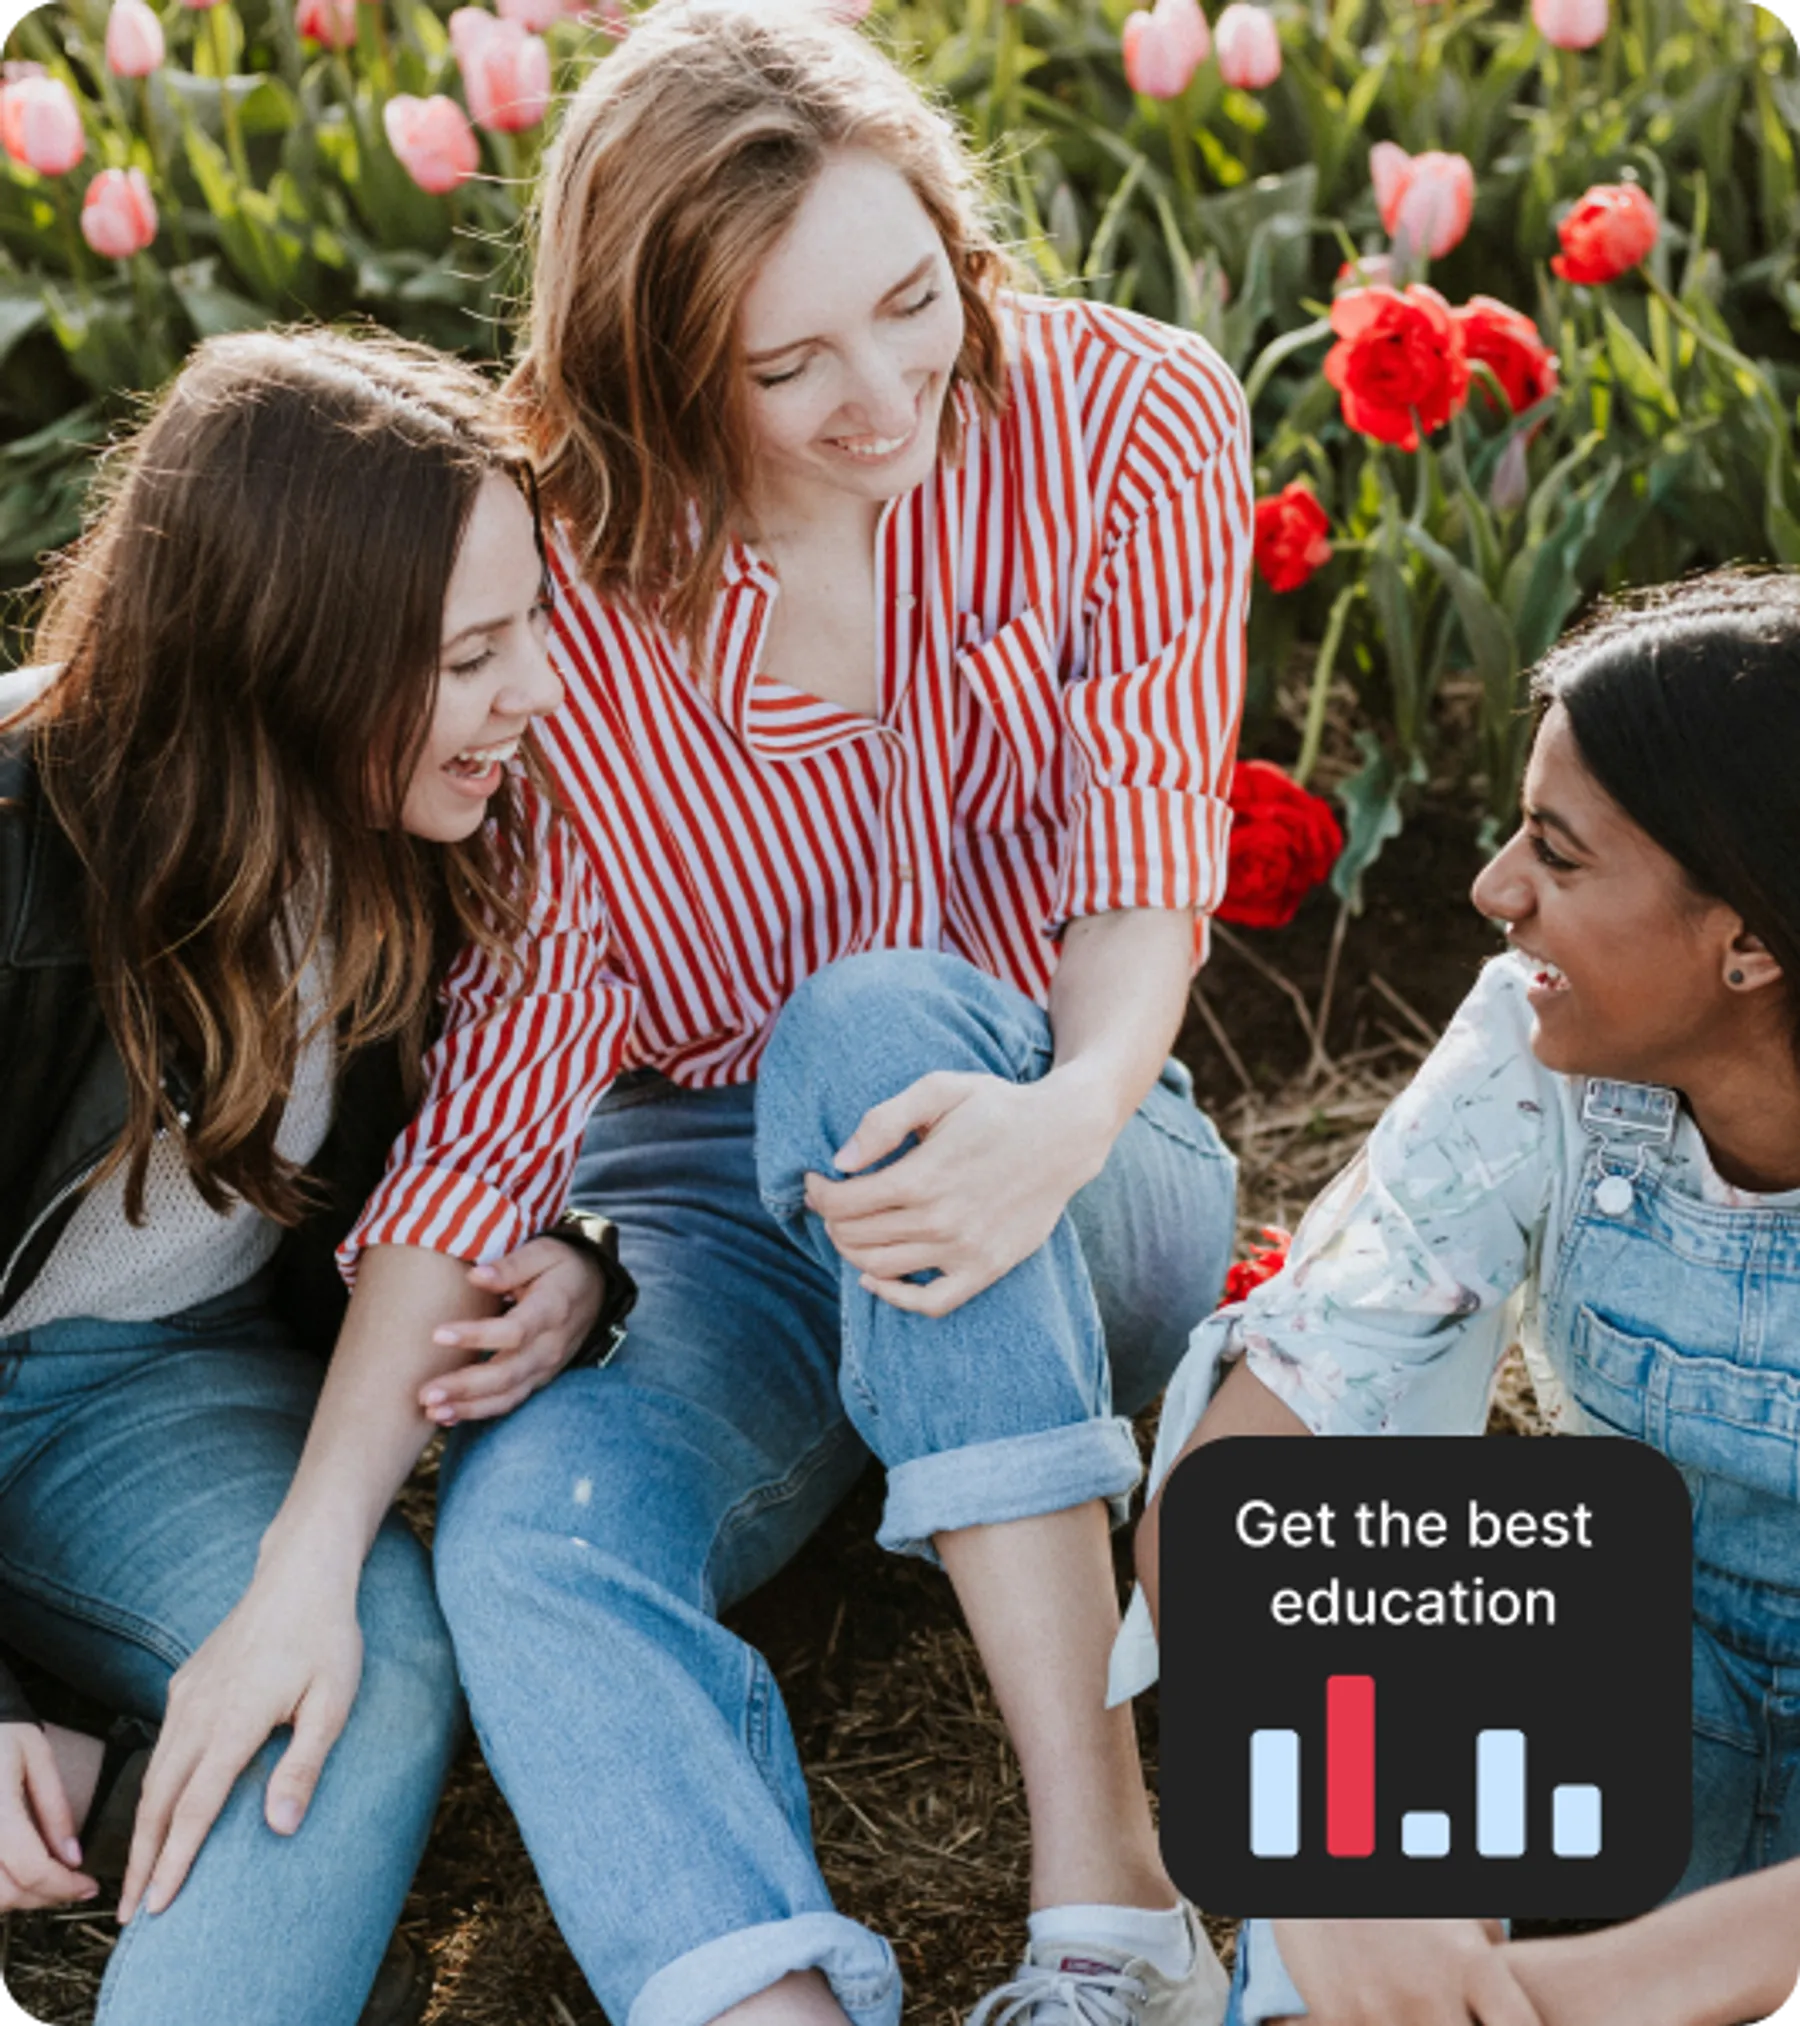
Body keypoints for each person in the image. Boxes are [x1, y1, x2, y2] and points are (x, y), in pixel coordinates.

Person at [420, 2, 1252, 2023]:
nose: (883, 393)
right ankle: (761, 2001)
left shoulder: (1130, 416)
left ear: (951, 236)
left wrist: (1058, 1113)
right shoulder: (557, 547)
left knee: (875, 1027)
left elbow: (1147, 872)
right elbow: (533, 1003)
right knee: (531, 1535)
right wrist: (572, 1244)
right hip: (714, 1198)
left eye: (907, 304)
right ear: (650, 364)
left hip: (1074, 1136)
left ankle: (1109, 1904)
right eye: (789, 365)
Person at [0, 324, 619, 2025]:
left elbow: (501, 1124)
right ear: (287, 662)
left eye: (534, 627)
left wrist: (570, 1248)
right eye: (473, 653)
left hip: (148, 1398)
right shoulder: (12, 833)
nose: (535, 694)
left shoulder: (445, 827)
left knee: (362, 1665)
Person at [1120, 565, 1800, 2026]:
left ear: (1748, 942)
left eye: (1557, 855)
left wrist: (1580, 1988)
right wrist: (1343, 1863)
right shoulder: (1529, 1054)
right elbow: (1254, 1472)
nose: (1493, 890)